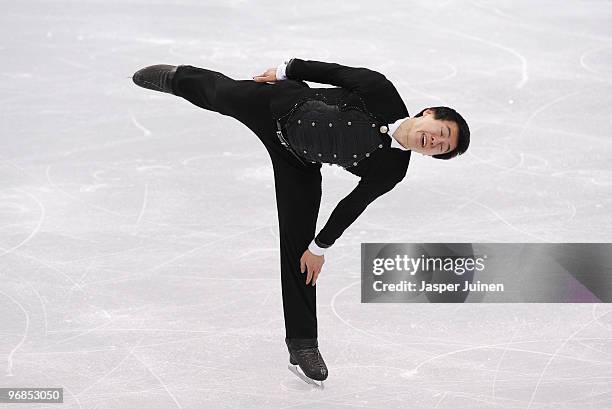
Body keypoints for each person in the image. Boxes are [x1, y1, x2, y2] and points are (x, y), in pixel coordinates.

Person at [132, 58, 470, 386]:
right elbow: (333, 72)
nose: (435, 142)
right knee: (222, 94)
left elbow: (353, 204)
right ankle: (178, 78)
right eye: (440, 132)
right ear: (429, 113)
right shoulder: (380, 90)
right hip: (277, 106)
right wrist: (284, 71)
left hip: (298, 163)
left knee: (301, 257)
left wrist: (318, 247)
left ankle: (303, 344)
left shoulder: (392, 170)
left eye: (441, 148)